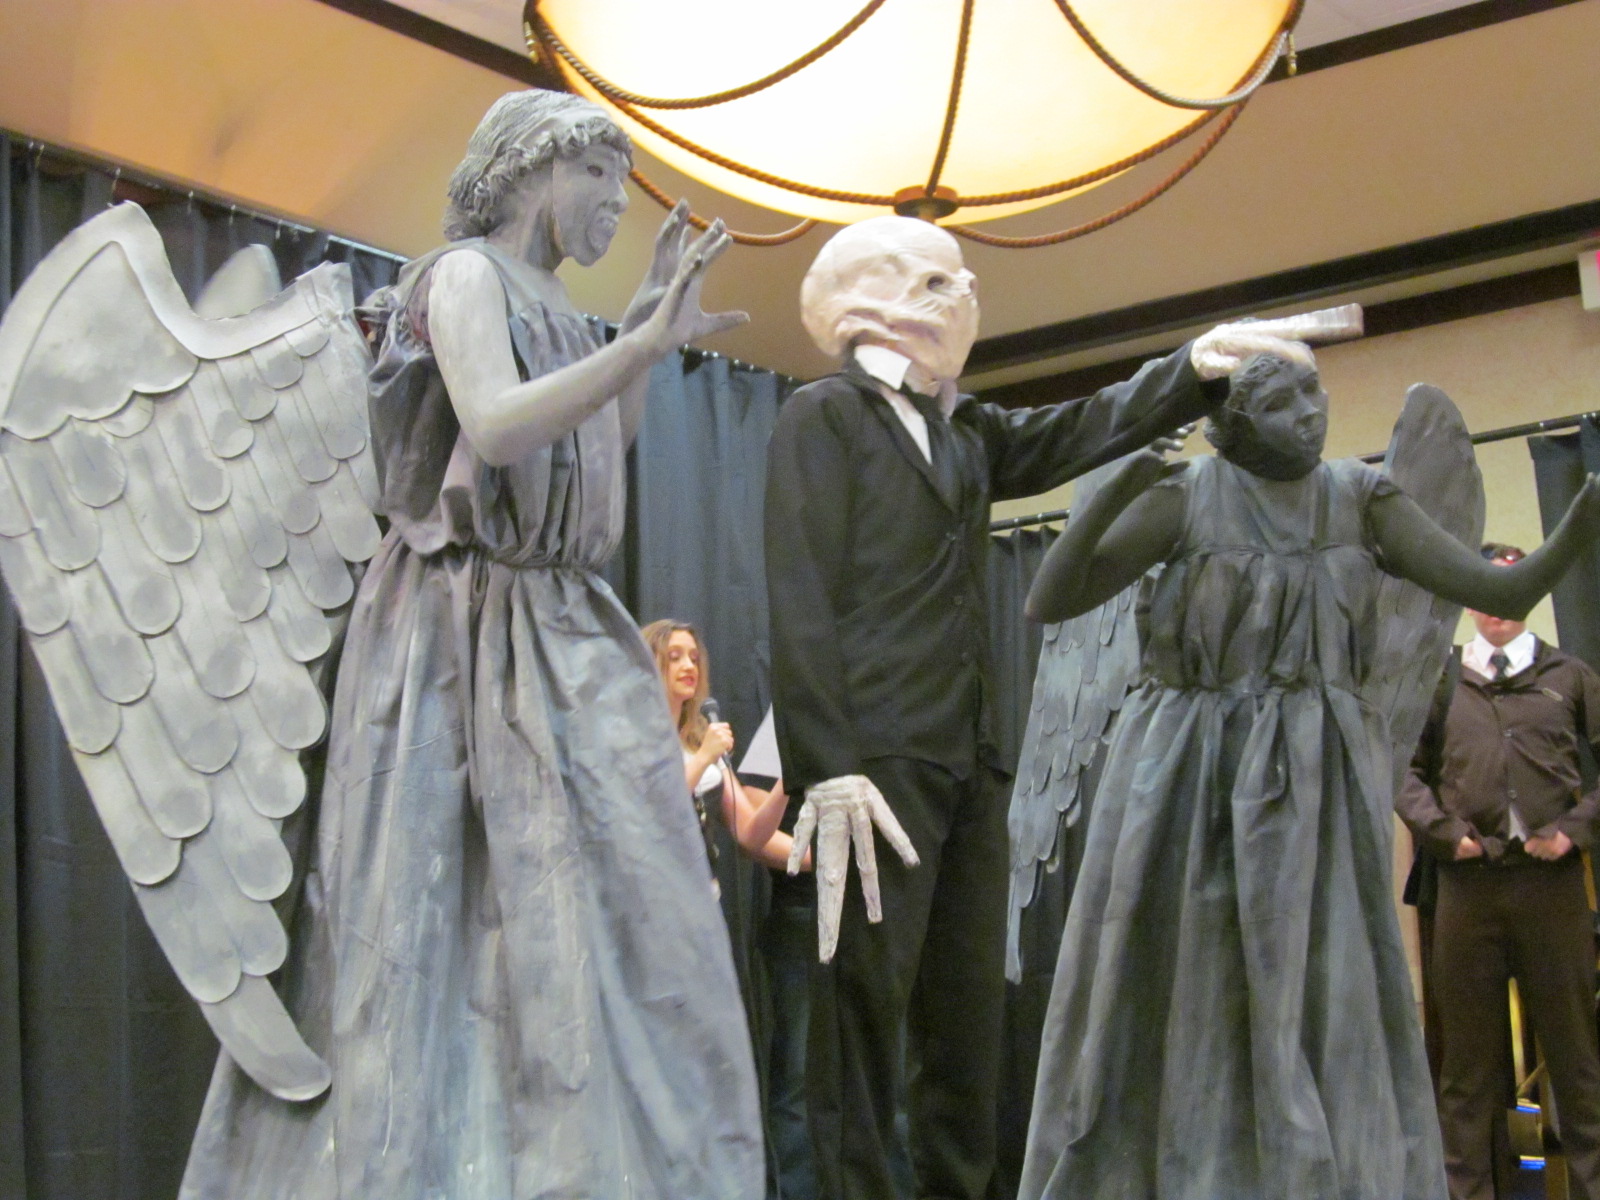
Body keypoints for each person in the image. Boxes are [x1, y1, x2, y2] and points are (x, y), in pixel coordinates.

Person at [178, 90, 764, 1199]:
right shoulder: (461, 276)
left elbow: (601, 443)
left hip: (560, 622)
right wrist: (636, 343)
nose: (615, 205)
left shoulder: (562, 305)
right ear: (531, 169)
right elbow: (494, 426)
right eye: (598, 177)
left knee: (593, 920)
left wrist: (643, 339)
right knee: (438, 919)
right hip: (458, 628)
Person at [763, 214, 1309, 1200]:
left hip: (970, 761)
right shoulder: (824, 416)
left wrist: (1191, 368)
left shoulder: (965, 431)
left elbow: (1074, 430)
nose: (965, 298)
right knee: (862, 1021)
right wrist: (826, 767)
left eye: (964, 280)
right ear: (865, 301)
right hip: (872, 766)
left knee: (966, 1026)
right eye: (938, 282)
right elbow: (797, 592)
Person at [1015, 353, 1600, 1199]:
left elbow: (1496, 587)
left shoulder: (1358, 498)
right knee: (1189, 966)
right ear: (1235, 419)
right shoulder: (1188, 496)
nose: (1313, 411)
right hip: (1187, 771)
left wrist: (1576, 527)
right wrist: (1113, 491)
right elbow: (1051, 598)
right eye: (1287, 400)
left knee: (1317, 975)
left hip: (1314, 774)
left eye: (1316, 393)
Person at [1396, 543, 1600, 1200]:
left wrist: (1574, 831)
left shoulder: (1570, 675)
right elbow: (1399, 768)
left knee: (1577, 1060)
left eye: (1511, 588)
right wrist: (1443, 833)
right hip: (1467, 891)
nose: (1498, 606)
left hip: (1551, 890)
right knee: (1467, 1069)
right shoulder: (1439, 678)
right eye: (1485, 589)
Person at [642, 618, 797, 871]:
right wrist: (704, 757)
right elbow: (652, 811)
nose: (689, 666)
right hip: (655, 886)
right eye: (674, 657)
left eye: (694, 659)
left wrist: (790, 777)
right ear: (647, 665)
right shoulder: (633, 738)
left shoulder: (699, 739)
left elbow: (749, 834)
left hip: (703, 887)